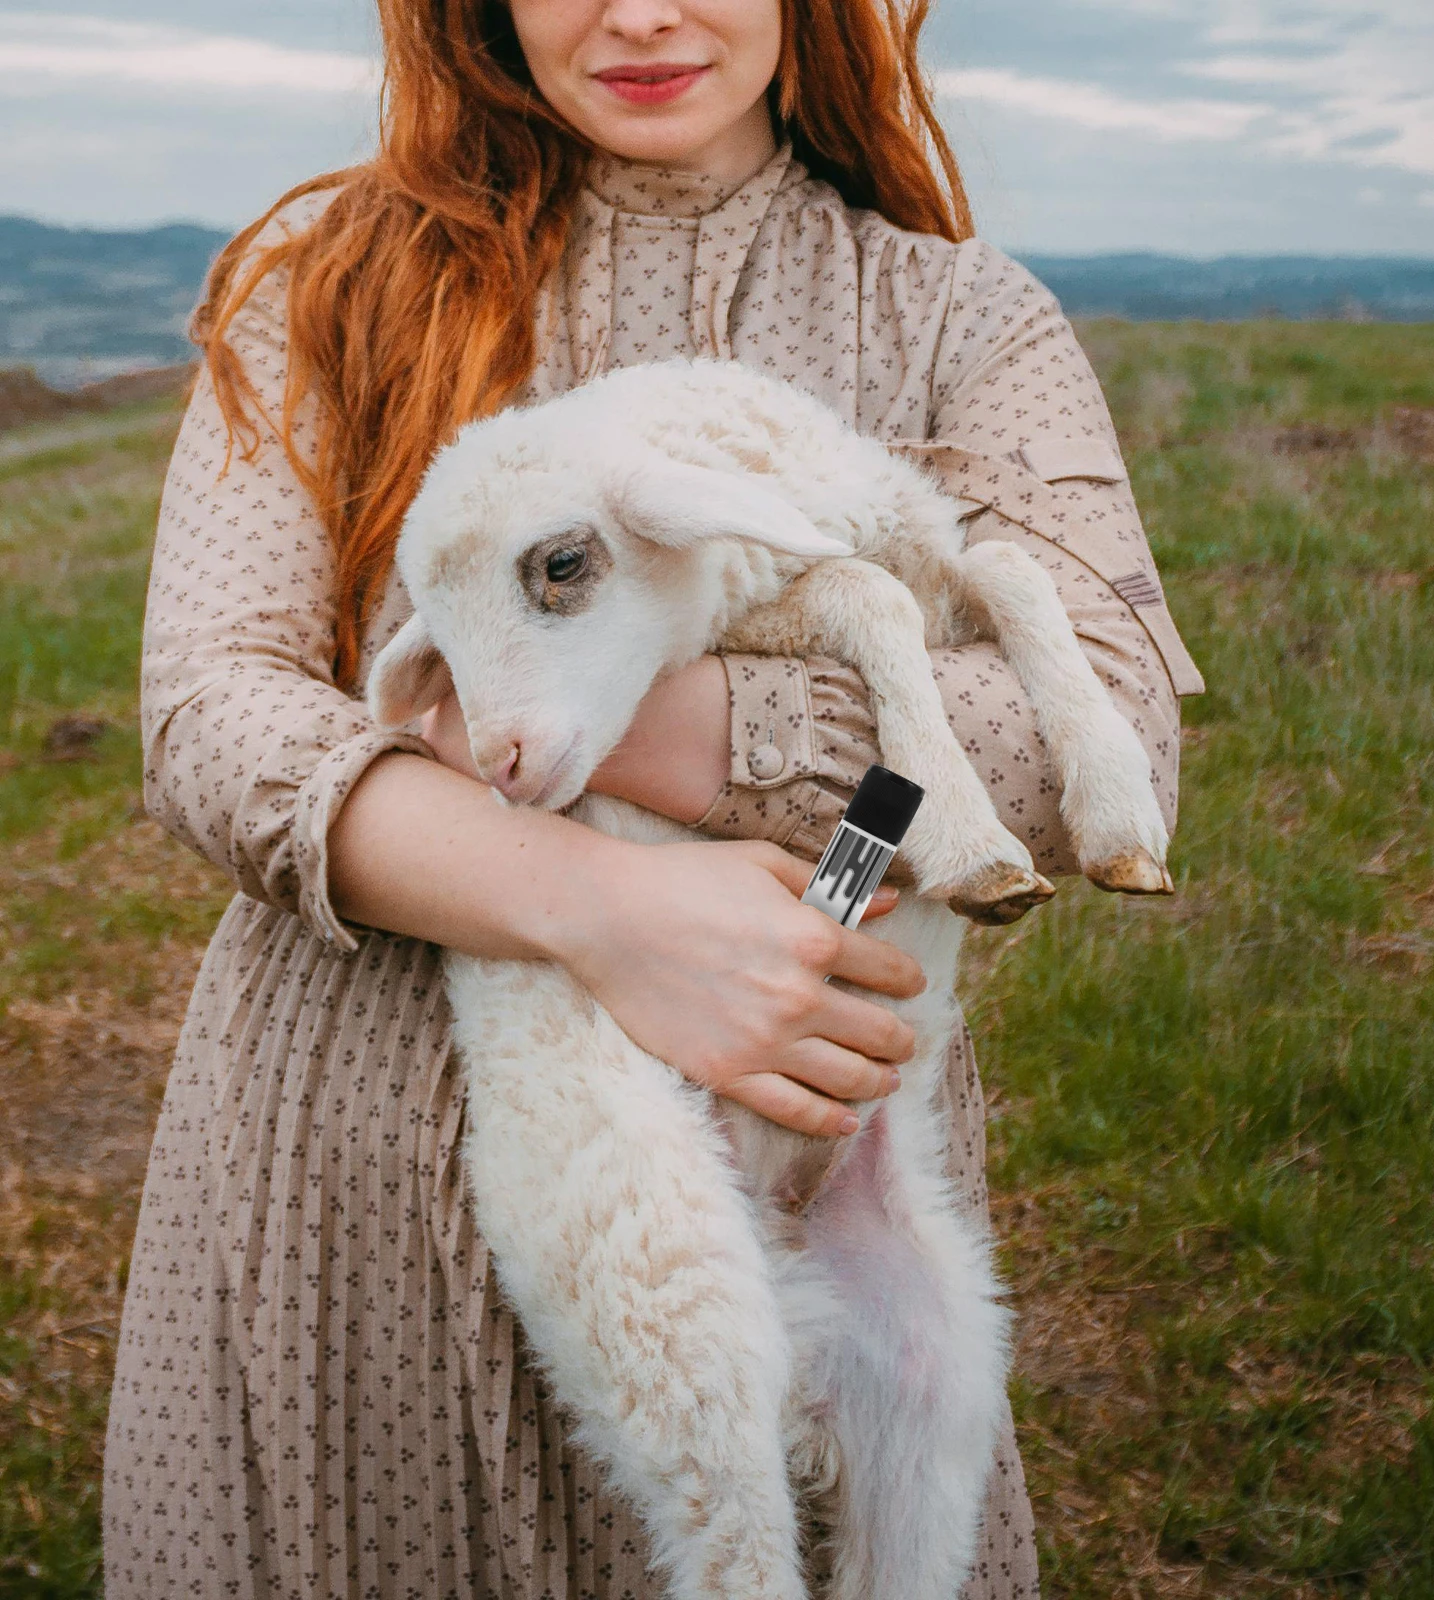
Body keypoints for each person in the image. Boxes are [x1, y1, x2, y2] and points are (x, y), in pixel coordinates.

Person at [104, 0, 1204, 1593]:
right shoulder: (330, 292)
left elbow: (1094, 749)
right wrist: (602, 909)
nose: (636, 13)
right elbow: (212, 710)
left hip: (814, 1151)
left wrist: (605, 719)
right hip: (354, 1195)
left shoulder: (961, 320)